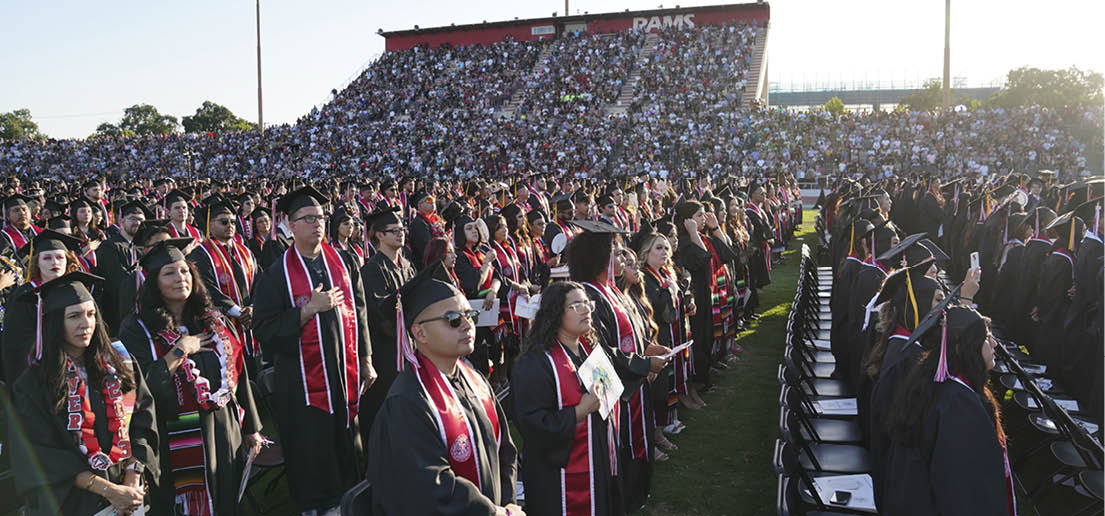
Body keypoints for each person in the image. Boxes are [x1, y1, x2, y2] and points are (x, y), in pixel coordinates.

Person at [117, 239, 264, 515]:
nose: (180, 278)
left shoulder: (210, 319)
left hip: (223, 430)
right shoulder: (137, 329)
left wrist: (251, 427)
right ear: (154, 283)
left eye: (184, 271)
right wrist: (180, 351)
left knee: (227, 500)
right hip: (172, 434)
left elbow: (238, 369)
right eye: (169, 273)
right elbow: (139, 389)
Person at [251, 186, 374, 515]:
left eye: (320, 217)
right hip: (302, 382)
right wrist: (306, 311)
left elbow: (359, 312)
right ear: (291, 226)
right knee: (313, 447)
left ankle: (353, 499)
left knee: (348, 440)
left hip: (344, 373)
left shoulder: (344, 262)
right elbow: (263, 330)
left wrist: (366, 359)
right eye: (308, 218)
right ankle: (320, 507)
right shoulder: (277, 276)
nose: (317, 223)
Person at [366, 263, 521, 516]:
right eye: (453, 319)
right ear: (420, 333)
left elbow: (505, 449)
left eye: (470, 315)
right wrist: (494, 513)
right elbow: (431, 487)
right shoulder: (407, 401)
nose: (467, 325)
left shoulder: (476, 380)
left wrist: (508, 504)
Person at [7, 272, 160, 516]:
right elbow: (40, 454)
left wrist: (133, 475)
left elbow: (143, 421)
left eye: (91, 314)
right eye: (74, 316)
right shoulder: (34, 384)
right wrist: (109, 491)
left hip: (129, 496)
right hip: (73, 503)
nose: (86, 324)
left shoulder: (120, 364)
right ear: (55, 323)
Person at [566, 219, 668, 512]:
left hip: (632, 384)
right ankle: (624, 498)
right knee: (619, 449)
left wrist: (646, 349)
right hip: (614, 392)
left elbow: (628, 336)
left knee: (635, 444)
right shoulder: (590, 297)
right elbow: (600, 351)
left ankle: (634, 495)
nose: (620, 256)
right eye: (614, 250)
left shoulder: (612, 290)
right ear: (598, 257)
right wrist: (642, 364)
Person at [882, 306, 1014, 516]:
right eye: (987, 338)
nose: (995, 344)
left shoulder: (932, 384)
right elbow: (964, 491)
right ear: (964, 347)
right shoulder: (959, 405)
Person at [511, 281, 619, 516]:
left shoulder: (588, 349)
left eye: (587, 303)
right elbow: (531, 423)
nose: (587, 309)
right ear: (555, 312)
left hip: (596, 459)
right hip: (558, 475)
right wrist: (578, 412)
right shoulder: (535, 363)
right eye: (576, 305)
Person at [359, 206, 416, 440]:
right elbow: (379, 313)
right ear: (380, 235)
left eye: (402, 229)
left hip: (410, 346)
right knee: (387, 403)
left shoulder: (408, 266)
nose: (400, 234)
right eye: (394, 231)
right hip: (386, 351)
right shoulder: (372, 270)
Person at [189, 199, 261, 377]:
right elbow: (207, 288)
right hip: (223, 326)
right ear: (210, 224)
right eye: (223, 221)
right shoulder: (200, 254)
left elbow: (260, 282)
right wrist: (239, 313)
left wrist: (253, 308)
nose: (230, 225)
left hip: (252, 324)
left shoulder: (245, 252)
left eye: (233, 222)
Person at [1, 230, 83, 383]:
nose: (55, 262)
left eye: (60, 257)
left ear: (68, 260)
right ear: (37, 263)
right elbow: (15, 343)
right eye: (47, 258)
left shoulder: (76, 289)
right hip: (38, 372)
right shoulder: (24, 296)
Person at [407, 190, 444, 270]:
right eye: (428, 200)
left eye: (433, 200)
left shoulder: (436, 220)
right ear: (419, 205)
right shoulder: (418, 223)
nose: (432, 202)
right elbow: (427, 247)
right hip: (426, 267)